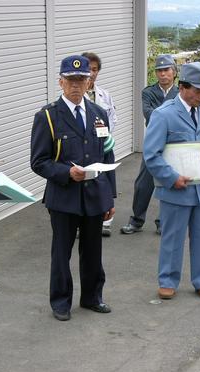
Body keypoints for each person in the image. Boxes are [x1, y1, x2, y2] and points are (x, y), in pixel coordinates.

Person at [30, 55, 116, 321]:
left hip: (93, 197)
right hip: (64, 197)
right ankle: (60, 301)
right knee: (61, 253)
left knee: (93, 252)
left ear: (89, 81)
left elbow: (107, 157)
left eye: (81, 79)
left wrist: (110, 197)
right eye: (71, 80)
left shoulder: (99, 114)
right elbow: (39, 162)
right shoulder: (47, 116)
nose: (76, 85)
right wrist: (67, 172)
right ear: (61, 82)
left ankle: (92, 297)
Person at [143, 62, 200, 300]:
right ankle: (167, 280)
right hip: (175, 189)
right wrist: (171, 177)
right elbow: (151, 154)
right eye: (196, 90)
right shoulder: (163, 114)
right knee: (172, 238)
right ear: (183, 87)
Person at [120, 54, 178, 235]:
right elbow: (149, 114)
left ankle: (163, 221)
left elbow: (179, 116)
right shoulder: (148, 92)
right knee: (143, 183)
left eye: (166, 70)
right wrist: (170, 116)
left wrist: (164, 116)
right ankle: (136, 220)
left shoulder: (180, 92)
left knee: (169, 182)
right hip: (153, 143)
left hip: (174, 144)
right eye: (159, 71)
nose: (162, 74)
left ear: (174, 72)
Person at [81, 51, 117, 237]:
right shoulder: (76, 94)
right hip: (85, 147)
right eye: (88, 69)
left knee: (105, 181)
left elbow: (112, 118)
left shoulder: (105, 95)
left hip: (104, 145)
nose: (92, 73)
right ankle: (81, 222)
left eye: (95, 69)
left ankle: (105, 221)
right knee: (86, 182)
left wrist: (108, 137)